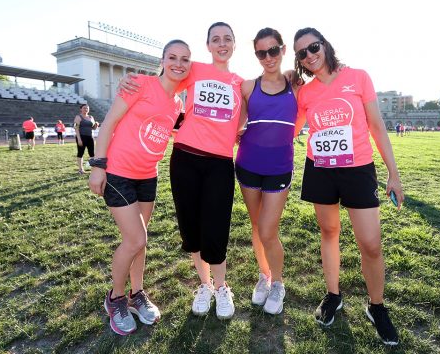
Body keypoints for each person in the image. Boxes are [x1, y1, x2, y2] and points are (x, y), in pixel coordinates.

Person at [119, 22, 243, 320]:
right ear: (208, 45)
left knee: (217, 226)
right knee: (191, 226)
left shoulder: (242, 83)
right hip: (185, 158)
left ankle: (222, 287)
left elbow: (267, 89)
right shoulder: (194, 69)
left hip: (220, 163)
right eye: (216, 39)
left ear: (234, 44)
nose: (221, 43)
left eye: (227, 39)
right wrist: (132, 81)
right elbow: (163, 82)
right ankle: (204, 285)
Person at [292, 27, 403, 346]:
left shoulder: (358, 77)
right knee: (329, 233)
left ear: (324, 45)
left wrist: (393, 174)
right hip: (321, 170)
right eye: (302, 53)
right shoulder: (306, 93)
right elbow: (291, 128)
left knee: (371, 244)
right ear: (299, 60)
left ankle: (377, 307)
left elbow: (377, 127)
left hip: (358, 171)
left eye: (313, 47)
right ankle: (333, 295)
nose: (310, 55)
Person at [89, 39, 190, 335]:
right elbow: (108, 123)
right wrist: (98, 165)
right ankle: (115, 298)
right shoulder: (139, 84)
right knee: (135, 239)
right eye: (172, 57)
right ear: (162, 59)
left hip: (148, 175)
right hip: (118, 172)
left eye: (185, 59)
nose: (178, 63)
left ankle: (137, 293)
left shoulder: (178, 103)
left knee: (141, 240)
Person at [236, 28, 298, 315]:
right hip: (248, 165)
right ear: (256, 55)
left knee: (268, 230)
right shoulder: (248, 87)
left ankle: (278, 283)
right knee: (256, 226)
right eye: (262, 52)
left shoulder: (295, 83)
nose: (268, 57)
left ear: (283, 50)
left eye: (273, 50)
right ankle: (264, 275)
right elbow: (235, 123)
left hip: (279, 168)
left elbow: (322, 76)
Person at [74, 104, 99, 174]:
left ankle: (93, 169)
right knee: (80, 153)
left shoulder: (91, 117)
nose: (86, 109)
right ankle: (80, 169)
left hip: (90, 137)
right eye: (84, 108)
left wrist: (96, 125)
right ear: (81, 109)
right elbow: (76, 128)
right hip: (81, 137)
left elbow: (93, 128)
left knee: (92, 154)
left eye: (87, 108)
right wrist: (79, 139)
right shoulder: (78, 117)